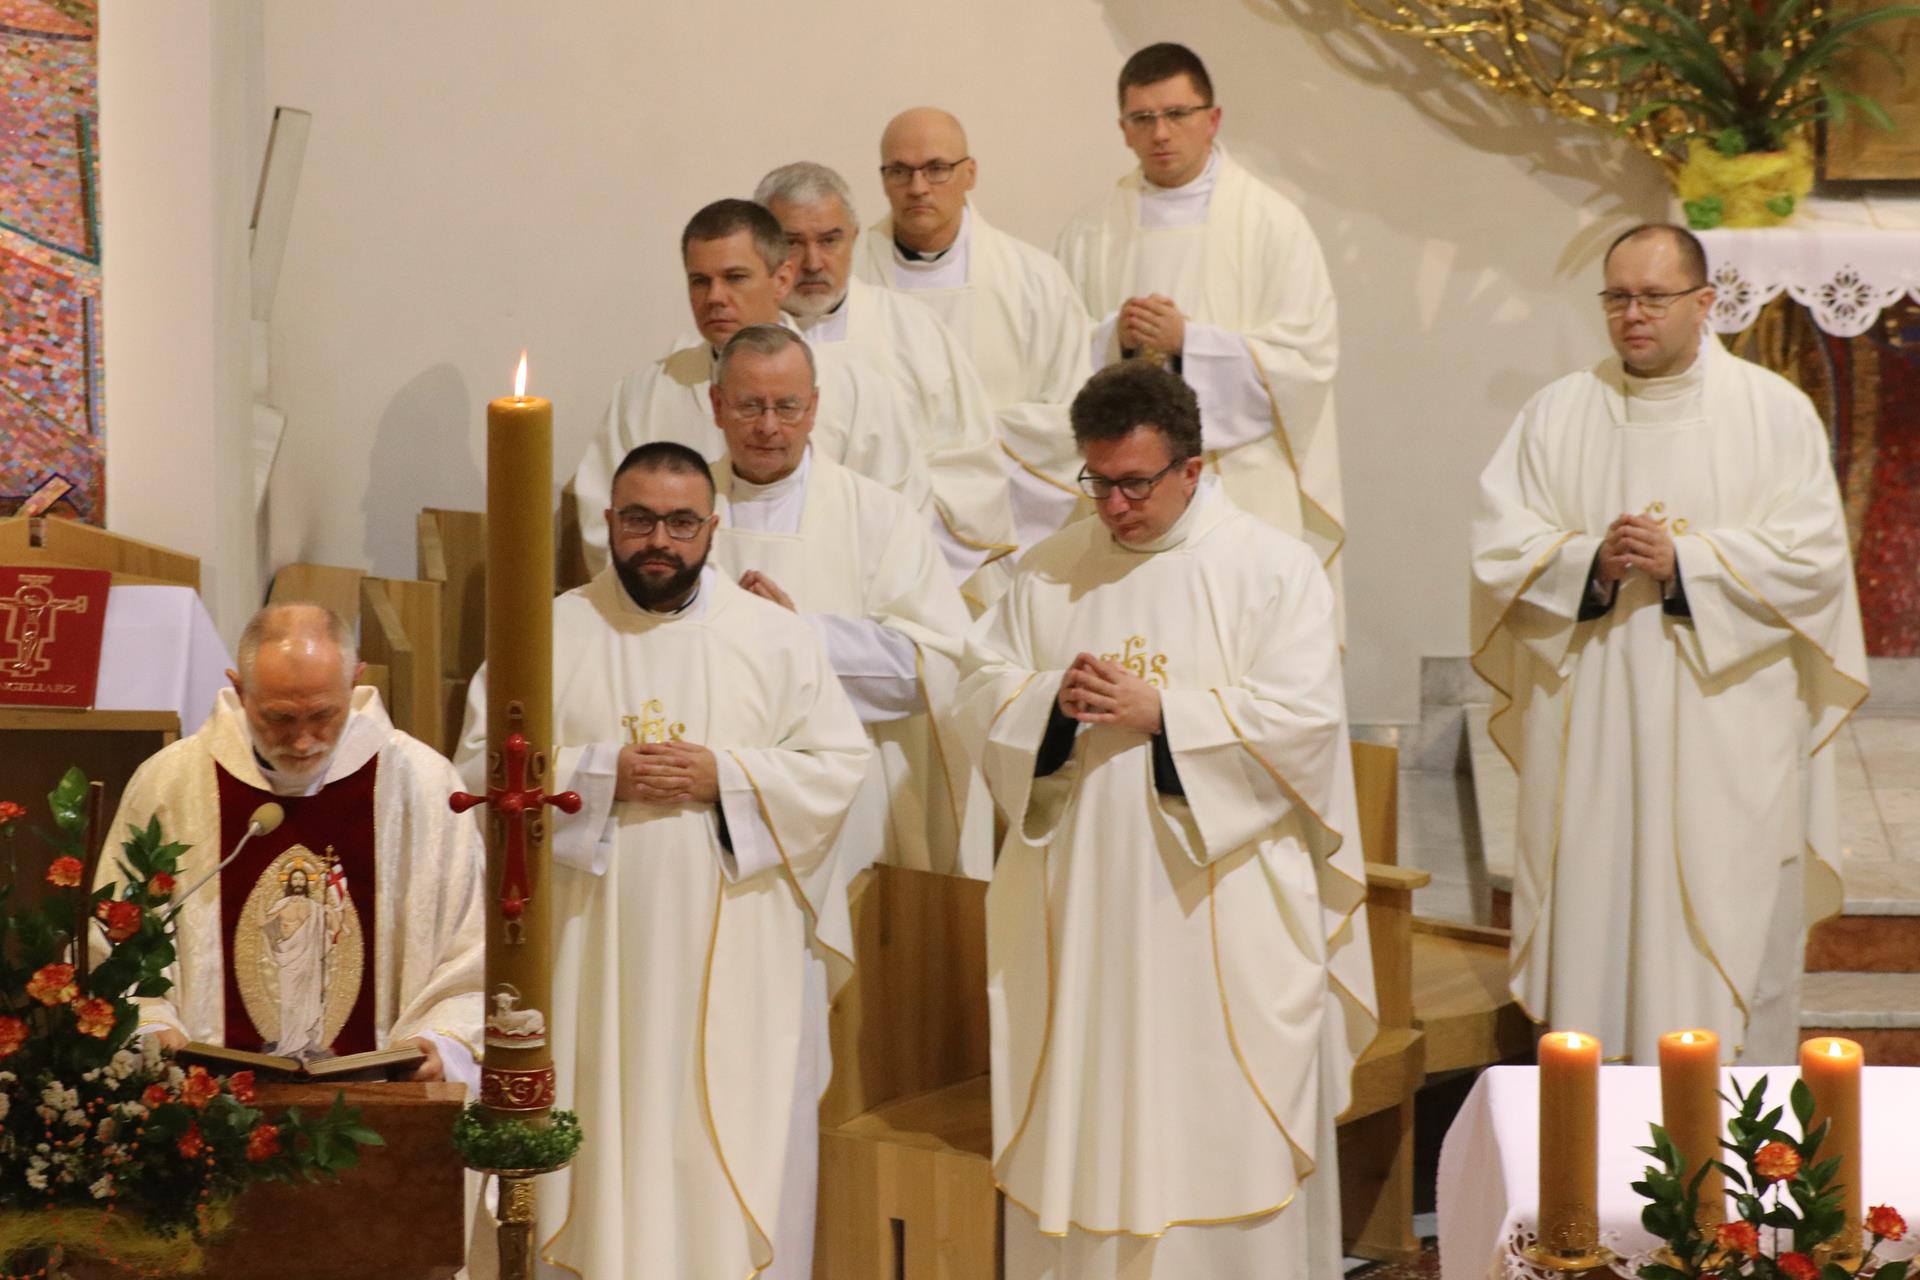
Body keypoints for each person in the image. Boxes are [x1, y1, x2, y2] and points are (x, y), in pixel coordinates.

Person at [957, 361, 1375, 1278]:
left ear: (1193, 468)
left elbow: (1305, 726)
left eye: (1136, 483)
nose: (1114, 506)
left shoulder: (1272, 569)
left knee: (1216, 1122)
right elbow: (979, 689)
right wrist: (1050, 704)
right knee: (1089, 1108)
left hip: (1215, 910)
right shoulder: (1047, 572)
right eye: (1098, 481)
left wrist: (1167, 713)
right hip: (1081, 911)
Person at [458, 441, 870, 1279]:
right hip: (587, 957)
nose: (659, 541)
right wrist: (600, 774)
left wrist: (728, 776)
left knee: (721, 1142)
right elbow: (473, 776)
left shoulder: (776, 640)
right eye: (640, 520)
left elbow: (838, 770)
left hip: (736, 959)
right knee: (600, 1131)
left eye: (682, 523)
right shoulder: (546, 632)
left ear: (713, 527)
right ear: (609, 522)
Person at [1470, 223, 1869, 1065]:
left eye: (1654, 297)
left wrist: (1687, 562)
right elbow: (1499, 551)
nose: (1633, 315)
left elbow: (1815, 564)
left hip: (1726, 731)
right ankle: (1590, 1125)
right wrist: (1589, 563)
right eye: (1617, 297)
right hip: (1596, 729)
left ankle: (1727, 1140)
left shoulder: (1773, 414)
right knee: (1596, 907)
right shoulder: (1557, 413)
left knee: (1725, 926)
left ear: (1704, 302)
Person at [98, 603, 486, 1086]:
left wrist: (440, 1043)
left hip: (381, 1099)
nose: (303, 741)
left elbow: (468, 952)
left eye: (323, 715)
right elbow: (117, 939)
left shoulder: (422, 784)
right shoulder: (171, 784)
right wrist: (151, 1026)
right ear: (240, 689)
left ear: (355, 681)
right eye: (280, 718)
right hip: (208, 1105)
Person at [1055, 42, 1347, 631]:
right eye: (1143, 118)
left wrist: (1191, 342)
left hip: (1243, 482)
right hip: (1125, 493)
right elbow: (1056, 357)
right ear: (1124, 130)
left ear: (1212, 119)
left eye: (1177, 114)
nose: (1161, 133)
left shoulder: (1273, 223)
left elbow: (1308, 361)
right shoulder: (1090, 231)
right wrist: (1116, 339)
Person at [703, 323, 989, 879]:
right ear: (716, 405)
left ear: (813, 408)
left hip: (844, 799)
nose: (768, 426)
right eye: (749, 406)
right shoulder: (682, 513)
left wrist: (803, 637)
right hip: (711, 787)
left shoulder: (877, 516)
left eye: (787, 407)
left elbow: (937, 664)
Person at [572, 198, 931, 575]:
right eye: (700, 281)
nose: (714, 297)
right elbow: (605, 520)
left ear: (782, 279)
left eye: (735, 278)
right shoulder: (644, 395)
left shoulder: (858, 388)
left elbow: (898, 522)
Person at [754, 161, 1017, 601]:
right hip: (773, 571)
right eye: (792, 243)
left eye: (830, 239)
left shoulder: (915, 332)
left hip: (900, 575)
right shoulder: (737, 349)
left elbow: (975, 469)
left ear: (855, 236)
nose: (813, 262)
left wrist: (885, 543)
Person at [855, 107, 1094, 547]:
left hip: (1010, 527)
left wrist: (968, 457)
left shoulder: (1034, 280)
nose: (917, 187)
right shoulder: (850, 276)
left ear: (970, 173)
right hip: (880, 523)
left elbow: (1074, 413)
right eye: (900, 171)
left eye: (936, 169)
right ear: (883, 178)